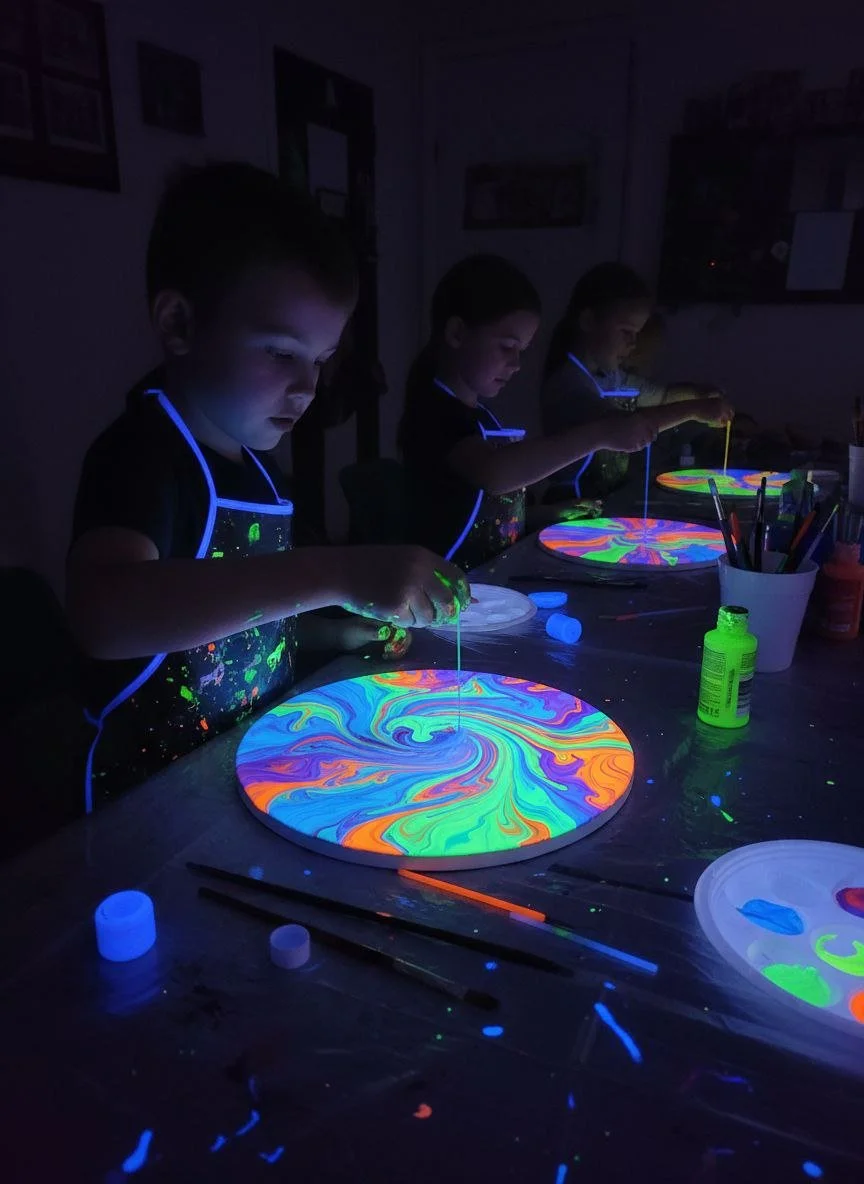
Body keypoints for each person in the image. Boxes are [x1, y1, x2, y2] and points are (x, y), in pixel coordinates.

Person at [67, 162, 467, 810]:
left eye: (320, 360)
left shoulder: (259, 470)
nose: (308, 387)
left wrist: (332, 634)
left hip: (250, 777)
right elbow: (106, 616)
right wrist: (335, 572)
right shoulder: (141, 456)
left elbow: (237, 631)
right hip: (147, 813)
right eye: (281, 352)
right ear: (179, 324)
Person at [398, 255, 657, 570]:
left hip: (482, 580)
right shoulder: (433, 411)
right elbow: (495, 474)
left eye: (521, 351)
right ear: (457, 333)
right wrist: (599, 434)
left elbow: (478, 512)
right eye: (507, 347)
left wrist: (547, 514)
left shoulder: (480, 416)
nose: (517, 364)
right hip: (444, 588)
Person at [540, 263, 732, 500]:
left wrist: (700, 395)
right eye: (626, 331)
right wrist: (695, 409)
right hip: (568, 504)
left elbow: (660, 396)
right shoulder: (568, 383)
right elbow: (625, 427)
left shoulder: (609, 376)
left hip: (596, 501)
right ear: (588, 320)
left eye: (637, 334)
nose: (633, 344)